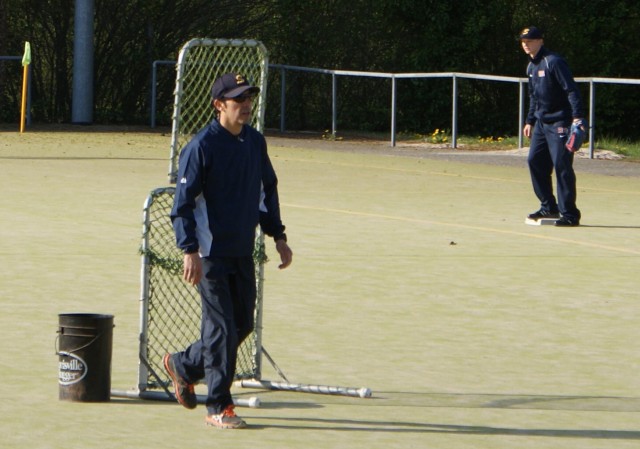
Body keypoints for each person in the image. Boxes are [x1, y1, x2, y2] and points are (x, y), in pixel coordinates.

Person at [164, 72, 293, 429]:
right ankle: (218, 406)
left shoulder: (255, 142)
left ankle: (184, 365)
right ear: (219, 105)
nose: (247, 106)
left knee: (241, 325)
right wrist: (189, 249)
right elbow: (182, 205)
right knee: (221, 330)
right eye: (239, 101)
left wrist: (277, 235)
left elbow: (267, 190)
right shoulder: (200, 147)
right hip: (209, 255)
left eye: (249, 99)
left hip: (241, 251)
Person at [520, 26, 586, 227]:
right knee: (534, 161)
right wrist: (530, 120)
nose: (526, 45)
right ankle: (549, 206)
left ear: (540, 41)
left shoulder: (554, 62)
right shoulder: (531, 67)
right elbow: (534, 96)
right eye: (523, 42)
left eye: (530, 41)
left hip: (561, 121)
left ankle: (570, 214)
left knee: (561, 165)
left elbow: (571, 90)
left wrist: (577, 118)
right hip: (541, 123)